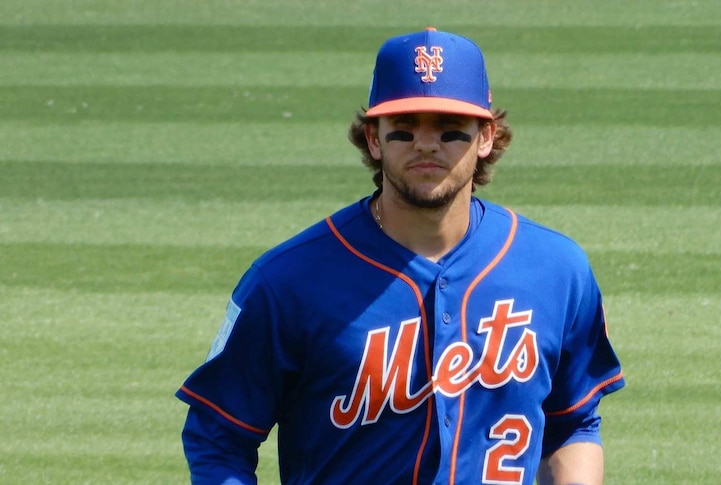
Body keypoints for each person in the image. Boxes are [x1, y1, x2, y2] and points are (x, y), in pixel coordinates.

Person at [176, 27, 625, 485]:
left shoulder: (556, 270)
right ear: (373, 139)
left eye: (450, 128)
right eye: (404, 128)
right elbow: (218, 439)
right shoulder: (287, 282)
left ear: (486, 136)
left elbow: (572, 423)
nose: (426, 144)